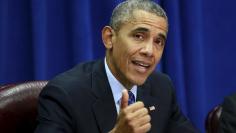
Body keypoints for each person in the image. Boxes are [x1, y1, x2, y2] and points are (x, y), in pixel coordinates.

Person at [35, 0, 198, 133]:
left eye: (158, 42)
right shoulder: (65, 94)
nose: (149, 51)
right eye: (139, 36)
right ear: (109, 38)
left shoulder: (161, 87)